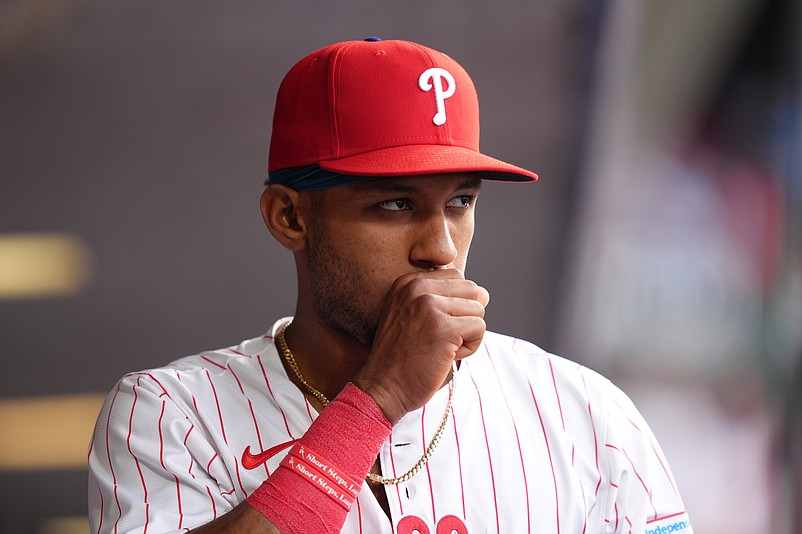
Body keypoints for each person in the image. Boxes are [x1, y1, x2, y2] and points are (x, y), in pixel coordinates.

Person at [88, 38, 694, 534]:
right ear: (290, 217)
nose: (441, 247)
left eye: (460, 201)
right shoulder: (170, 416)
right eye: (395, 203)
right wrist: (377, 399)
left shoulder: (583, 412)